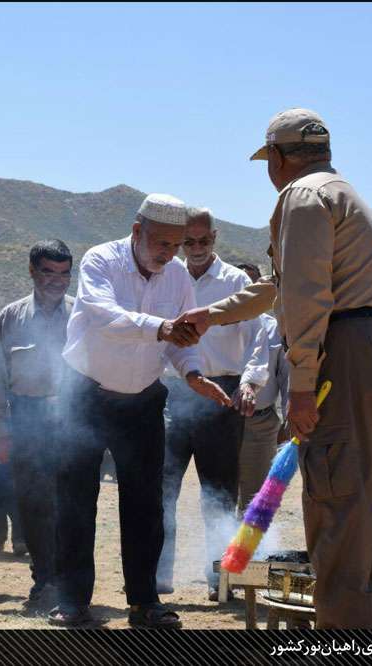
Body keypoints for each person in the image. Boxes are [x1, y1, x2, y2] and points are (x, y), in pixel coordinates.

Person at [191, 109, 372, 629]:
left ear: (276, 157)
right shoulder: (343, 195)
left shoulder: (300, 196)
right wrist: (210, 314)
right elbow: (280, 285)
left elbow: (305, 297)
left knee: (339, 513)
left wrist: (300, 385)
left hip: (346, 358)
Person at [50, 193, 232, 629]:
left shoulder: (177, 278)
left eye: (177, 245)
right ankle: (73, 601)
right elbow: (104, 317)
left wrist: (191, 373)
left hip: (143, 401)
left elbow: (180, 340)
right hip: (85, 395)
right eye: (161, 243)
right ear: (137, 232)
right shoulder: (101, 260)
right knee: (76, 500)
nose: (169, 254)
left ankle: (145, 602)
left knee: (147, 504)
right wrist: (163, 328)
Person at [155, 208, 268, 602]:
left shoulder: (237, 282)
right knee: (162, 488)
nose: (198, 249)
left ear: (215, 238)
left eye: (204, 241)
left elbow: (259, 342)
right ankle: (157, 577)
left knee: (218, 492)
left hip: (222, 393)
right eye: (190, 242)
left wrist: (251, 383)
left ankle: (219, 580)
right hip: (174, 393)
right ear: (181, 241)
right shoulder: (168, 277)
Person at [0, 239, 74, 603]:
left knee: (71, 505)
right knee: (34, 504)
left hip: (72, 419)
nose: (57, 281)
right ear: (32, 270)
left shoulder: (82, 314)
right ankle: (43, 580)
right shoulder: (11, 317)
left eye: (64, 273)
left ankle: (70, 582)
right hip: (26, 418)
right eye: (48, 272)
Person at [235, 312, 289, 516]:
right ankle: (218, 546)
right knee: (217, 497)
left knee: (254, 502)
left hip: (259, 423)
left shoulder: (274, 328)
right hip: (217, 421)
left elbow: (286, 377)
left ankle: (248, 548)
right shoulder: (214, 321)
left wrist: (288, 422)